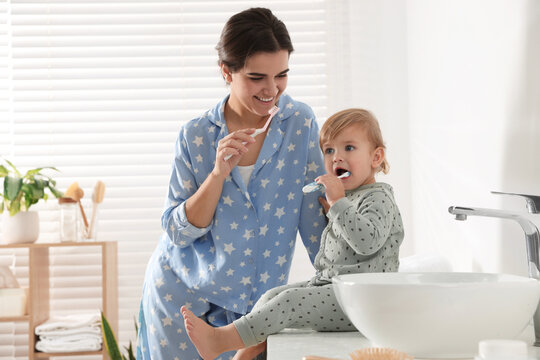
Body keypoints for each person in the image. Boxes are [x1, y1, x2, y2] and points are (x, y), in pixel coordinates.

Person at [136, 7, 327, 360]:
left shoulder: (299, 123)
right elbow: (178, 233)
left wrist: (346, 285)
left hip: (250, 315)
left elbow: (314, 218)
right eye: (257, 77)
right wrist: (217, 174)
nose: (272, 89)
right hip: (181, 301)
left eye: (282, 75)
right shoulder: (195, 136)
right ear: (227, 71)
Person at [181, 108, 405, 360]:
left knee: (288, 303)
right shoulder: (349, 197)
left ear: (376, 157)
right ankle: (243, 354)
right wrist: (338, 204)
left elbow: (367, 242)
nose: (336, 158)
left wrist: (338, 203)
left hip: (363, 302)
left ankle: (219, 340)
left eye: (349, 148)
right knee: (271, 296)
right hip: (336, 288)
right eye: (329, 150)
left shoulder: (379, 197)